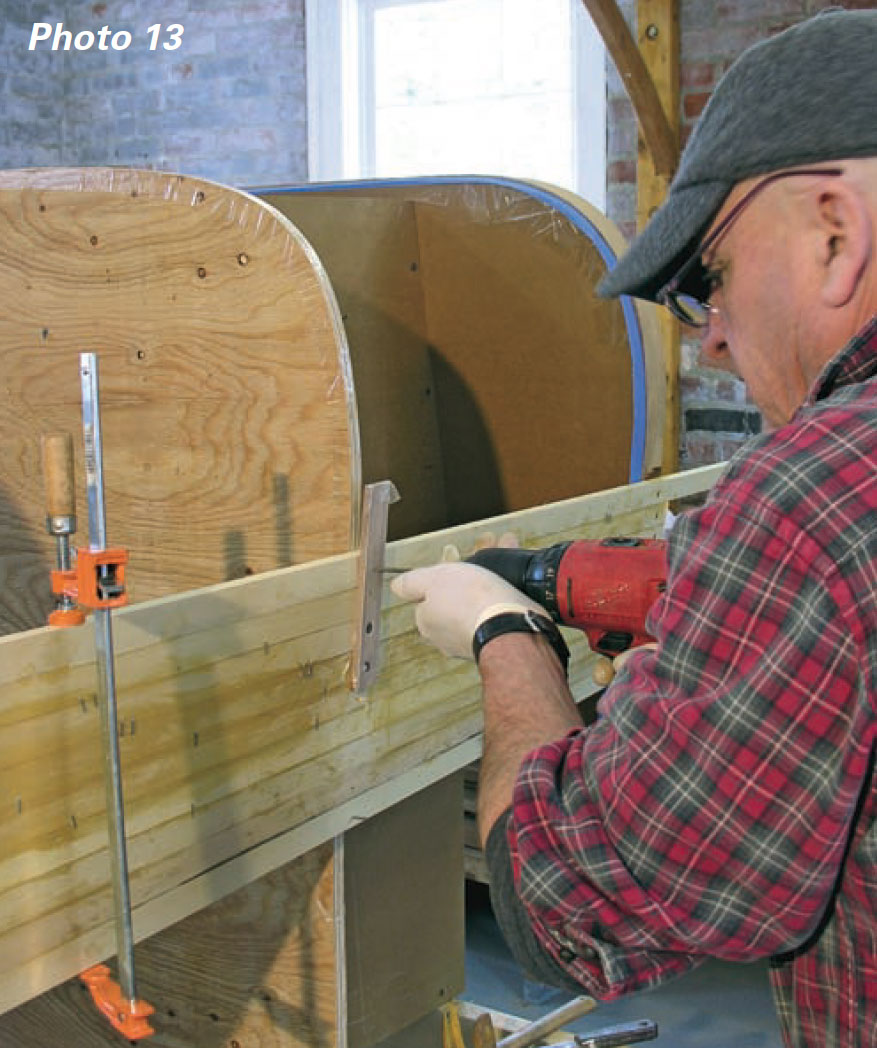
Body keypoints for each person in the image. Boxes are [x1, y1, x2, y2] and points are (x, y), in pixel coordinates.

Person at [390, 9, 877, 1048]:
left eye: (709, 278)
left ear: (835, 231)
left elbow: (570, 904)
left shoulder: (809, 494)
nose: (711, 340)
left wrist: (504, 634)